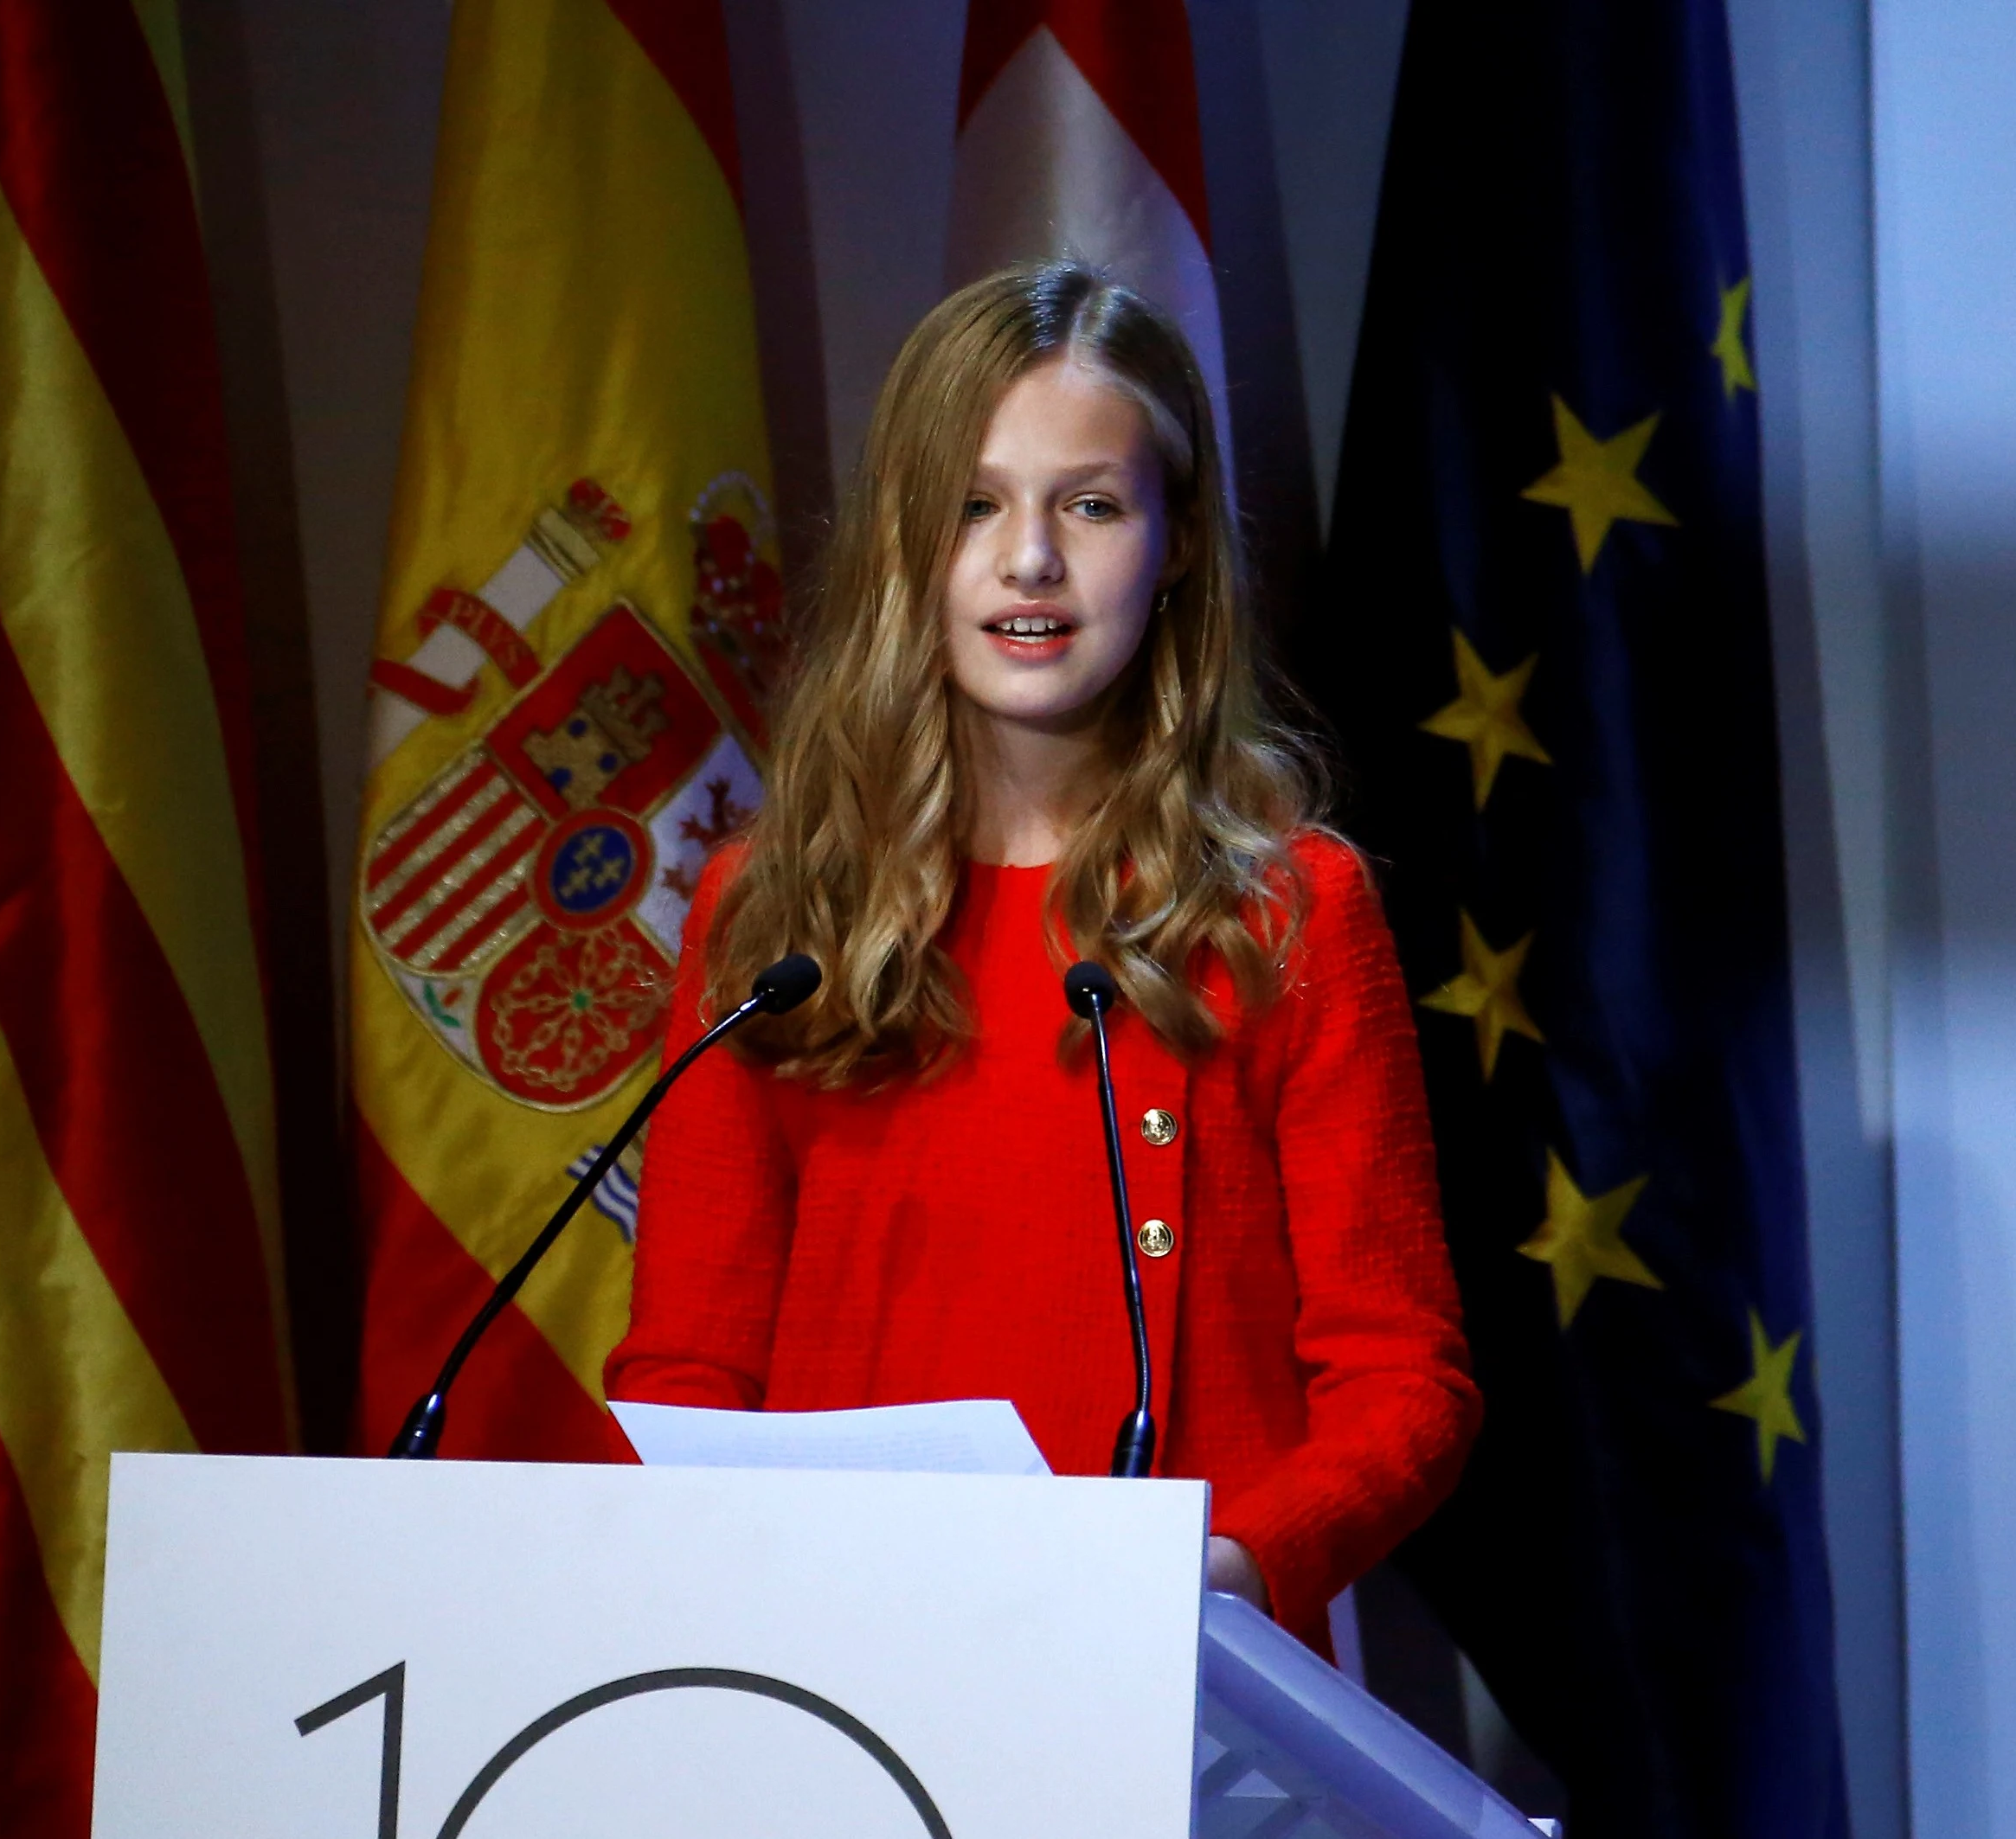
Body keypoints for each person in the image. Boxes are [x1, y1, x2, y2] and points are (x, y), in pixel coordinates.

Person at [606, 262, 1479, 1654]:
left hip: (1191, 1681)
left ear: (1177, 539)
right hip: (838, 1669)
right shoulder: (769, 911)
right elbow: (687, 1368)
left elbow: (1402, 1381)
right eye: (974, 503)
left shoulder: (1283, 909)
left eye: (1089, 503)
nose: (1028, 560)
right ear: (907, 539)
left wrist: (1236, 1571)